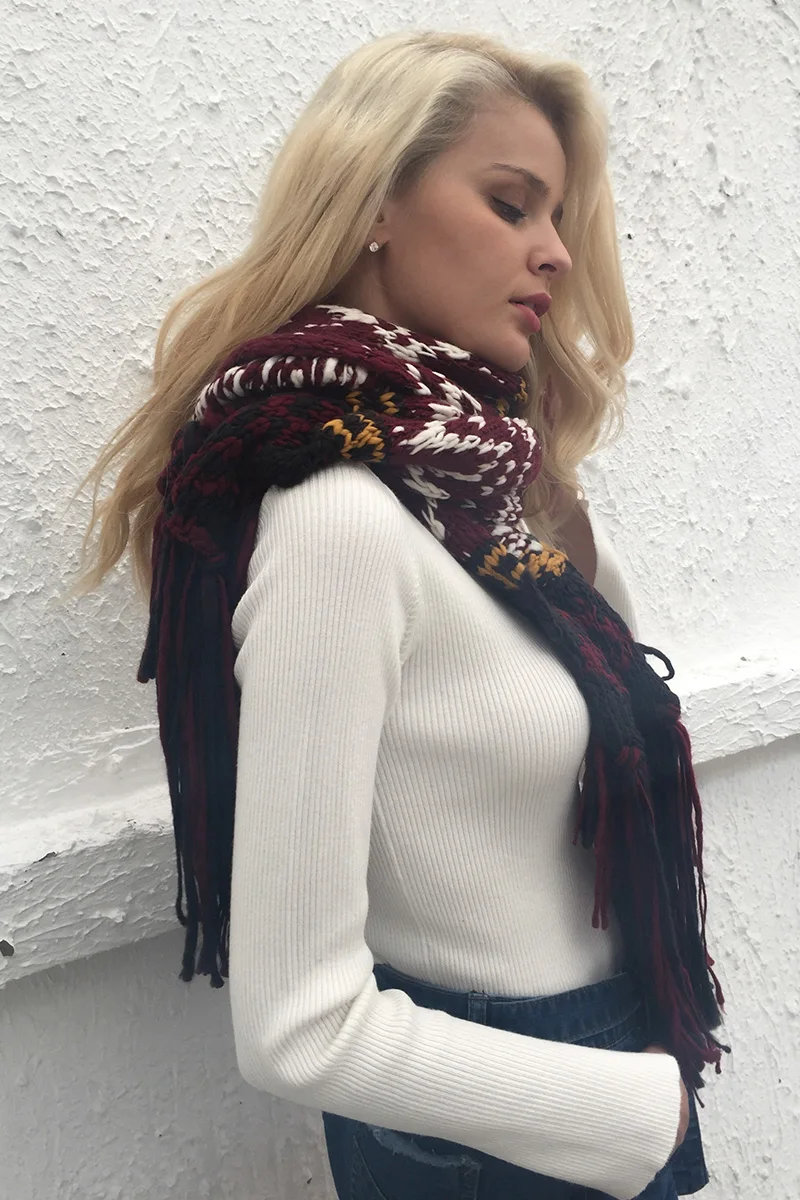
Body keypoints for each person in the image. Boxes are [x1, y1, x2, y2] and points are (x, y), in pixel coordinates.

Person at [72, 29, 729, 1200]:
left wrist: (551, 498)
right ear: (374, 200)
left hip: (584, 1073)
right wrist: (635, 1109)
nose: (553, 251)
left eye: (556, 216)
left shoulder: (477, 490)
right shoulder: (342, 522)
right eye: (509, 205)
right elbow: (297, 1025)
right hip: (492, 1134)